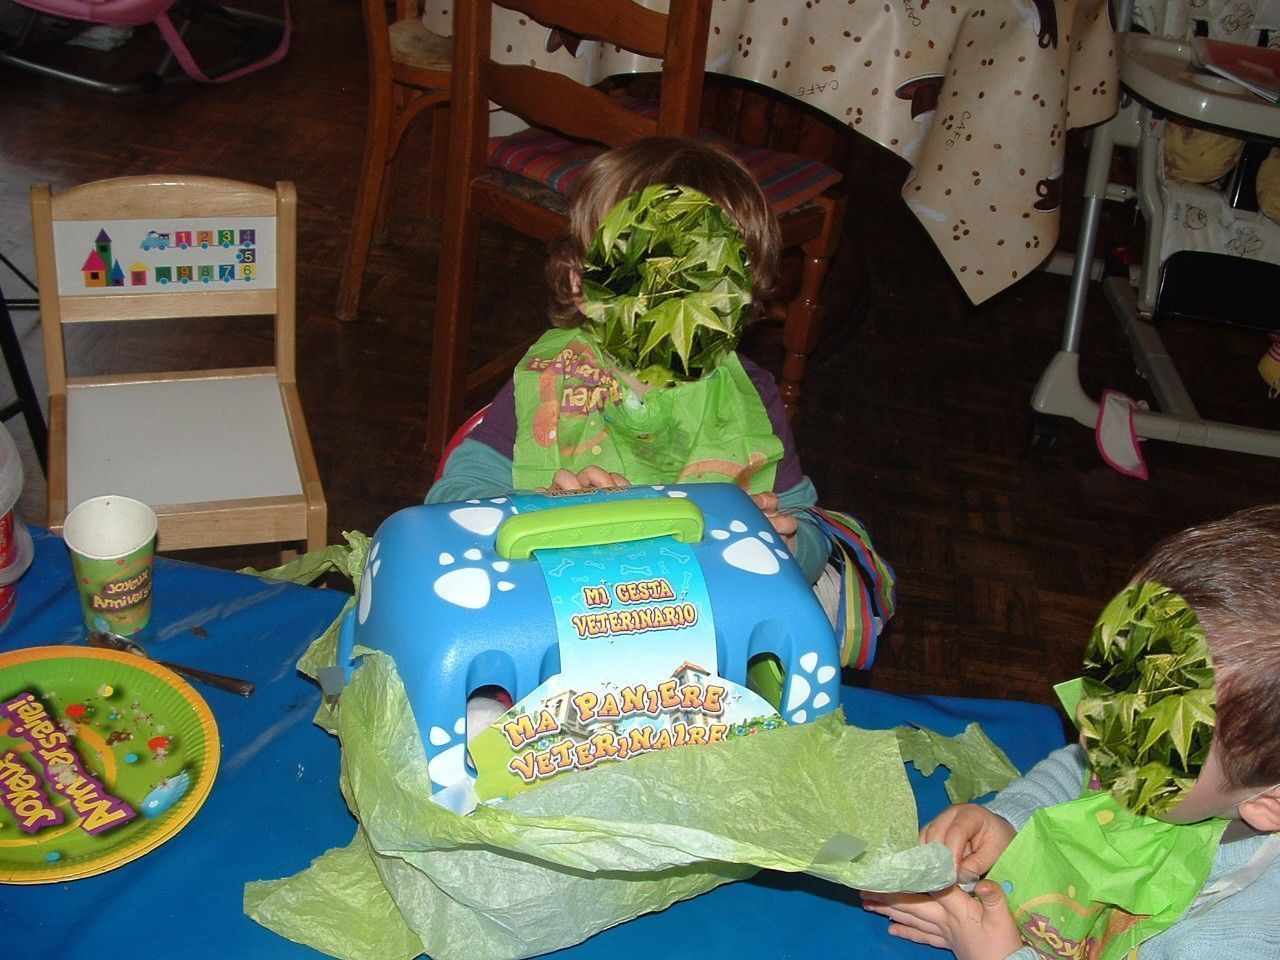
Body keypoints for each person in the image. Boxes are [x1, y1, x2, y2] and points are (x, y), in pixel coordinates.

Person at [862, 504, 1280, 959]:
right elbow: (1079, 774)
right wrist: (1011, 822)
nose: (1087, 723)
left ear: (1268, 804)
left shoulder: (1241, 936)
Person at [427, 136, 828, 583]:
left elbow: (808, 528)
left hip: (697, 603)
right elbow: (452, 498)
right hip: (560, 596)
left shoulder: (751, 397)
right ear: (580, 285)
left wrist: (789, 544)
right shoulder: (553, 379)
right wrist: (540, 505)